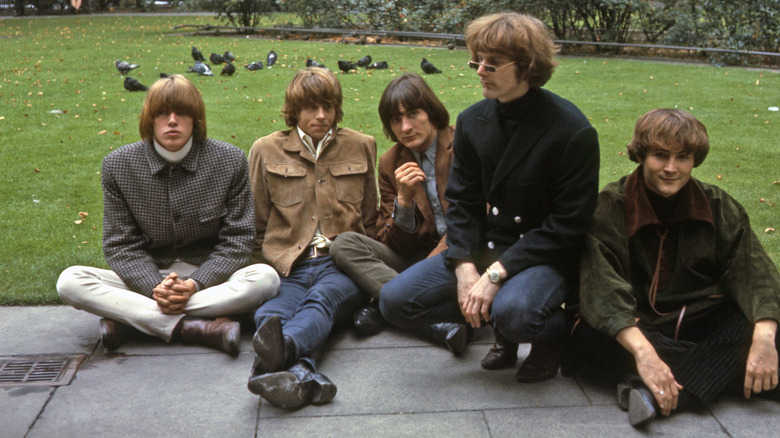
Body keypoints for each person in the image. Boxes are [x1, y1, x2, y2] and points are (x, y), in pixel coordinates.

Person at [380, 12, 600, 382]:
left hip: (541, 256)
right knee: (394, 301)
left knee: (516, 314)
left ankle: (548, 334)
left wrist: (496, 274)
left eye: (492, 64)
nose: (479, 70)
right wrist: (466, 269)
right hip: (484, 247)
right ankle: (499, 325)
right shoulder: (471, 121)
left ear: (527, 67)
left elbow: (568, 225)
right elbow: (463, 204)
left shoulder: (571, 130)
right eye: (476, 60)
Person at [569, 108, 780, 427]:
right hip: (634, 329)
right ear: (641, 155)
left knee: (761, 326)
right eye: (659, 155)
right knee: (585, 336)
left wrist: (763, 338)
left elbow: (756, 274)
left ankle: (660, 392)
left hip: (699, 322)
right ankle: (713, 374)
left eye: (682, 157)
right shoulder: (609, 206)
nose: (671, 168)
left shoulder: (718, 205)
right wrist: (645, 354)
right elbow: (603, 293)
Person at [56, 74, 280, 356]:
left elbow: (238, 240)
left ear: (195, 120)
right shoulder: (118, 165)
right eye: (162, 113)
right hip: (145, 277)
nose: (172, 120)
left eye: (182, 113)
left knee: (265, 278)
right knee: (71, 281)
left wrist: (194, 283)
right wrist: (154, 287)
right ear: (150, 120)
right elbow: (121, 245)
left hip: (208, 277)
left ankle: (132, 322)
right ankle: (195, 327)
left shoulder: (230, 160)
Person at [246, 67, 378, 409]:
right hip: (289, 264)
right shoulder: (265, 150)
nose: (321, 116)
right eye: (311, 108)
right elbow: (258, 222)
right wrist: (268, 265)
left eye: (328, 107)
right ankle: (303, 373)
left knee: (322, 301)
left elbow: (370, 218)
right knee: (270, 316)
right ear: (294, 110)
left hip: (341, 264)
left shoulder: (362, 145)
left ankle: (279, 357)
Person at [330, 72, 468, 355]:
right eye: (395, 120)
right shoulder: (390, 162)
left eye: (413, 114)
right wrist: (403, 202)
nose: (405, 127)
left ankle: (386, 307)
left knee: (412, 284)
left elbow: (471, 219)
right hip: (417, 257)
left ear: (431, 111)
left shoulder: (462, 145)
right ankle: (435, 323)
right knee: (345, 244)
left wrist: (418, 275)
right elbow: (393, 245)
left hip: (465, 256)